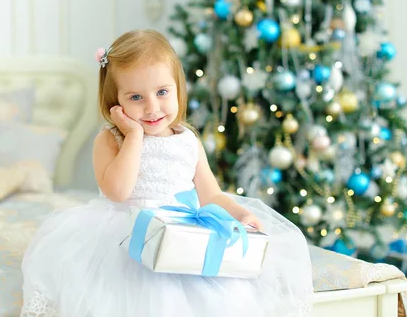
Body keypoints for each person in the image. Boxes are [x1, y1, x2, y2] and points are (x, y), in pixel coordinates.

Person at [21, 29, 314, 317]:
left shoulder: (187, 140)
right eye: (135, 97)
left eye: (162, 92)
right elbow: (118, 192)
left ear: (178, 88)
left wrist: (240, 214)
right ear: (116, 102)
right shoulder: (111, 139)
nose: (152, 108)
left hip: (182, 233)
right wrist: (133, 136)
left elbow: (210, 194)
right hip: (128, 236)